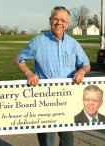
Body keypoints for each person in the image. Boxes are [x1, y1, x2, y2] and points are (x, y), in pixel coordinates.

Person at [14, 6, 91, 146]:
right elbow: (18, 59)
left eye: (63, 20)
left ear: (67, 24)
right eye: (56, 19)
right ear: (50, 20)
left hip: (68, 99)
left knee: (67, 141)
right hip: (45, 100)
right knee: (47, 142)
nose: (59, 23)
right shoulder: (38, 42)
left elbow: (86, 64)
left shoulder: (73, 44)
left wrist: (82, 71)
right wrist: (28, 73)